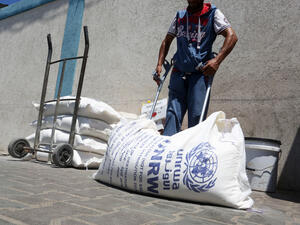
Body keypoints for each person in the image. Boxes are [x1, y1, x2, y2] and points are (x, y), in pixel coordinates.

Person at [155, 0, 238, 136]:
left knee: (196, 117)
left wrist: (217, 61)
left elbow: (232, 36)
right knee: (172, 114)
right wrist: (159, 64)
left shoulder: (213, 14)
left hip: (200, 75)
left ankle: (191, 150)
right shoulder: (180, 16)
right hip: (178, 73)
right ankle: (169, 149)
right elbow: (167, 40)